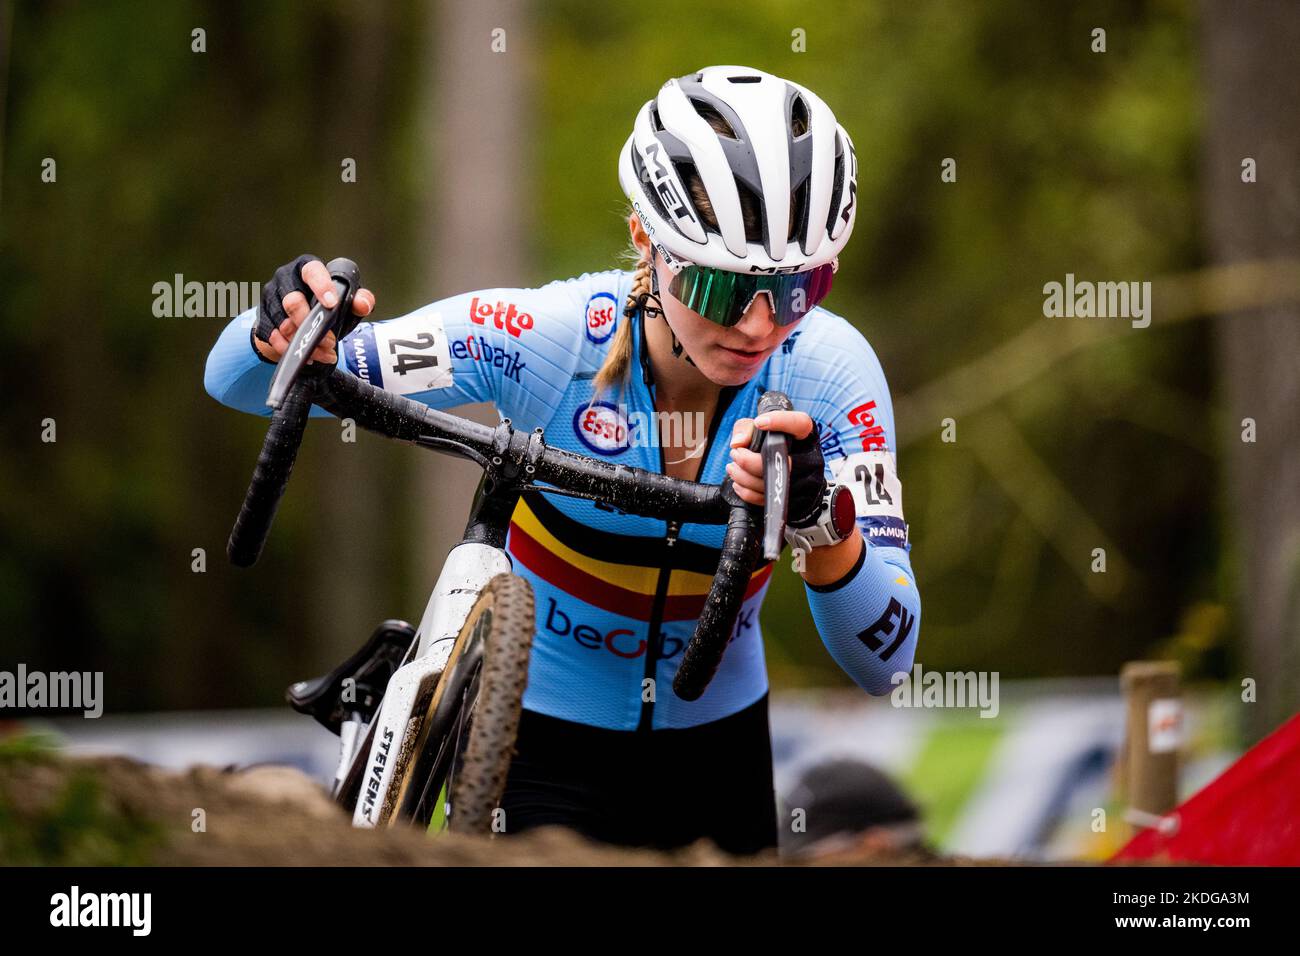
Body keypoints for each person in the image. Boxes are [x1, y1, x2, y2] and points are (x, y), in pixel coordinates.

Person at [204, 65, 921, 856]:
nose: (758, 326)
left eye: (795, 289)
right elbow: (239, 381)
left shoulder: (828, 373)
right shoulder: (542, 339)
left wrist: (825, 526)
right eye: (723, 288)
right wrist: (279, 319)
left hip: (720, 750)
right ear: (647, 239)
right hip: (536, 742)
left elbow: (884, 661)